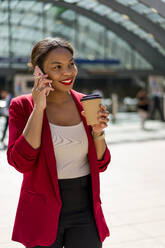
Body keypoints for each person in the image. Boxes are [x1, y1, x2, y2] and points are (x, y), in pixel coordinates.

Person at [7, 37, 111, 248]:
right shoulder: (22, 106)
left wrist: (98, 133)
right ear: (38, 71)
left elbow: (101, 164)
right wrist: (39, 108)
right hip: (41, 208)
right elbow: (20, 162)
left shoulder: (85, 102)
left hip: (85, 207)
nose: (68, 72)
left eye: (71, 64)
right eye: (57, 67)